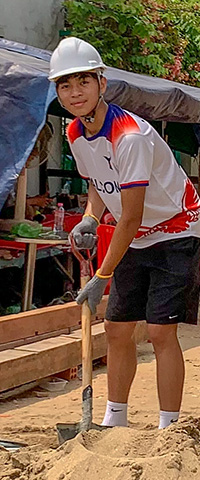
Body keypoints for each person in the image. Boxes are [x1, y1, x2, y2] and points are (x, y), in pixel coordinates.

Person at [49, 37, 200, 429]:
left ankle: (169, 427)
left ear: (101, 82)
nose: (74, 92)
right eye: (65, 85)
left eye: (83, 81)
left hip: (177, 230)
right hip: (137, 235)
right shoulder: (76, 134)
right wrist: (90, 219)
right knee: (116, 327)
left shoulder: (129, 136)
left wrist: (102, 276)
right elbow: (100, 184)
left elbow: (130, 217)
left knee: (160, 329)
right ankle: (114, 420)